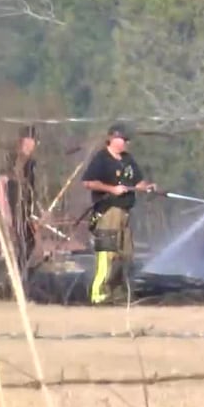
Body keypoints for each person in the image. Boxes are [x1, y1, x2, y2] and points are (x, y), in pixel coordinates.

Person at [81, 123, 156, 304]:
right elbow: (88, 182)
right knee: (107, 254)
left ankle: (118, 292)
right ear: (112, 139)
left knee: (125, 255)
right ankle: (99, 293)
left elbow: (137, 182)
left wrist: (147, 187)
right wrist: (112, 189)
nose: (126, 143)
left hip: (125, 212)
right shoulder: (102, 158)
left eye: (127, 140)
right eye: (123, 139)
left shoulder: (128, 159)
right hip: (108, 212)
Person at [0, 125, 40, 290]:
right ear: (21, 142)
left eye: (33, 142)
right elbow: (1, 184)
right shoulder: (12, 160)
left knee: (29, 245)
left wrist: (37, 211)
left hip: (26, 211)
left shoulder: (32, 164)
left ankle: (20, 278)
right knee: (20, 245)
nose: (30, 145)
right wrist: (5, 210)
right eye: (27, 142)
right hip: (14, 210)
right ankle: (13, 280)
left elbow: (32, 190)